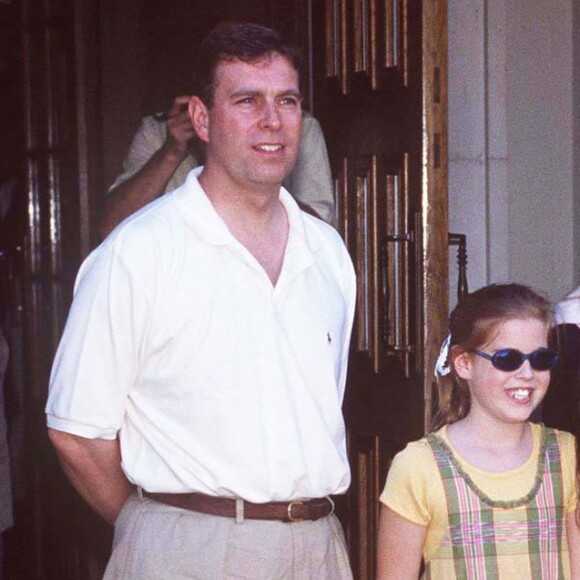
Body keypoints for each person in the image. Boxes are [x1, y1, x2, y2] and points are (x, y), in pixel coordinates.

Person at [46, 21, 356, 579]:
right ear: (201, 118)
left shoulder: (327, 253)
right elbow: (75, 433)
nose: (272, 120)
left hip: (320, 547)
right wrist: (161, 526)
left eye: (286, 101)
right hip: (188, 550)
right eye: (246, 100)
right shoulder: (139, 253)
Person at [376, 283, 580, 579]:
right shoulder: (419, 466)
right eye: (507, 359)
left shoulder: (566, 455)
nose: (526, 374)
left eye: (540, 359)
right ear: (464, 364)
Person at [99, 92, 336, 238]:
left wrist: (251, 170)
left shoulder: (297, 128)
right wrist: (172, 151)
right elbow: (111, 229)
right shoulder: (157, 131)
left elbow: (320, 235)